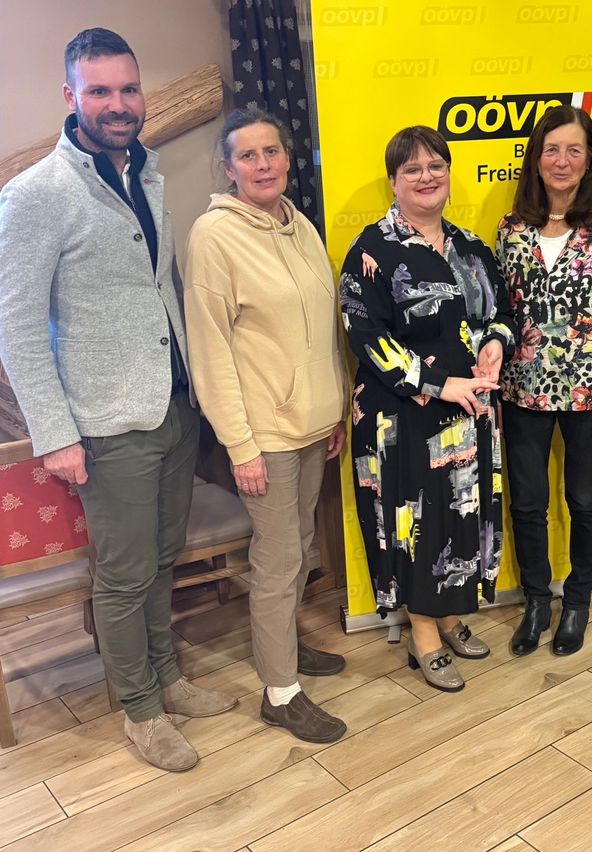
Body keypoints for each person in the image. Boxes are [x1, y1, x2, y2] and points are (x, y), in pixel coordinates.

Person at [0, 28, 237, 772]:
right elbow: (16, 329)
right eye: (99, 91)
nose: (117, 104)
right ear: (71, 98)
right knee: (126, 573)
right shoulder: (36, 195)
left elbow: (153, 286)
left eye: (128, 89)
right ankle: (139, 709)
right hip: (105, 425)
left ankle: (167, 676)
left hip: (170, 409)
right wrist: (56, 435)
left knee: (163, 559)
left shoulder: (145, 172)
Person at [184, 107, 349, 742]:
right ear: (229, 169)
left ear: (287, 158)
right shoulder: (214, 237)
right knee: (278, 560)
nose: (263, 165)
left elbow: (322, 325)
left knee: (300, 547)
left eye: (272, 152)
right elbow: (211, 351)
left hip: (311, 426)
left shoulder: (298, 224)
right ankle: (280, 694)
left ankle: (285, 651)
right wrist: (240, 445)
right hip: (264, 437)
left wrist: (331, 409)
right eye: (248, 156)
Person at [340, 126, 516, 692]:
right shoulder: (372, 249)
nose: (427, 177)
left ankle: (450, 614)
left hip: (470, 412)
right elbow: (365, 335)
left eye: (436, 165)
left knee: (462, 517)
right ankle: (423, 634)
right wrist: (439, 385)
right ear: (393, 181)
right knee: (413, 523)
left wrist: (495, 344)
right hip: (403, 416)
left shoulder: (469, 245)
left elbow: (501, 310)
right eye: (412, 169)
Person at [496, 105, 592, 657]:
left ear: (590, 160)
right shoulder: (512, 228)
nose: (561, 160)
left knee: (584, 500)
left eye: (573, 150)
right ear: (536, 158)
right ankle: (536, 601)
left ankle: (577, 601)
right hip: (523, 390)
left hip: (591, 391)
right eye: (550, 149)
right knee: (528, 502)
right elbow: (502, 312)